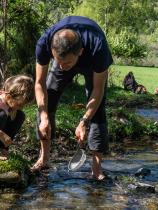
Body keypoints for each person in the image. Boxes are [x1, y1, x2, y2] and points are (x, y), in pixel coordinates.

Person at [32, 16, 113, 180]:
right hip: (67, 53)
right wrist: (44, 115)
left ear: (80, 52)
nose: (62, 67)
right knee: (48, 99)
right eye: (57, 61)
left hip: (92, 63)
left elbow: (97, 90)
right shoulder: (45, 43)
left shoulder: (98, 47)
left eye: (66, 63)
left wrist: (84, 121)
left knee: (97, 111)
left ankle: (96, 167)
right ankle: (44, 157)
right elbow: (39, 83)